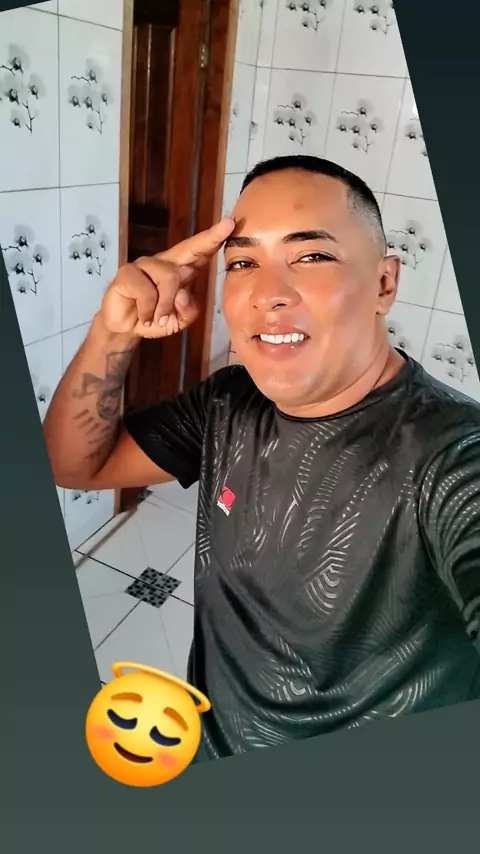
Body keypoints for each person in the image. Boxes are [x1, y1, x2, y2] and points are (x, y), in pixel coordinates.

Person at [44, 155, 480, 762]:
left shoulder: (453, 456)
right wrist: (112, 330)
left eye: (312, 255)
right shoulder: (228, 400)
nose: (268, 294)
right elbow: (74, 466)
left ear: (384, 284)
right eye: (244, 263)